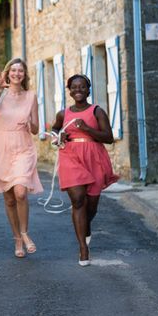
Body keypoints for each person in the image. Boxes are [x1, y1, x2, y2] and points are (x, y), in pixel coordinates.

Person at [51, 74, 119, 266]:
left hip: (93, 157)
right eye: (74, 87)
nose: (78, 90)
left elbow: (108, 137)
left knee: (91, 205)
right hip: (70, 157)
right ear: (69, 91)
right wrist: (58, 137)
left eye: (82, 87)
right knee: (78, 200)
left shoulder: (97, 111)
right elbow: (55, 129)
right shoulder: (63, 114)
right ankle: (83, 248)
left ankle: (86, 227)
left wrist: (87, 129)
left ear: (88, 89)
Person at [0, 58, 43, 258]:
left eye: (20, 71)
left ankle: (25, 233)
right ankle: (17, 239)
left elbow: (36, 129)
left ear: (24, 74)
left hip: (23, 146)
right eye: (13, 70)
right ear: (7, 73)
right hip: (1, 146)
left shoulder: (31, 96)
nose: (17, 74)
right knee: (9, 198)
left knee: (20, 192)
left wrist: (31, 124)